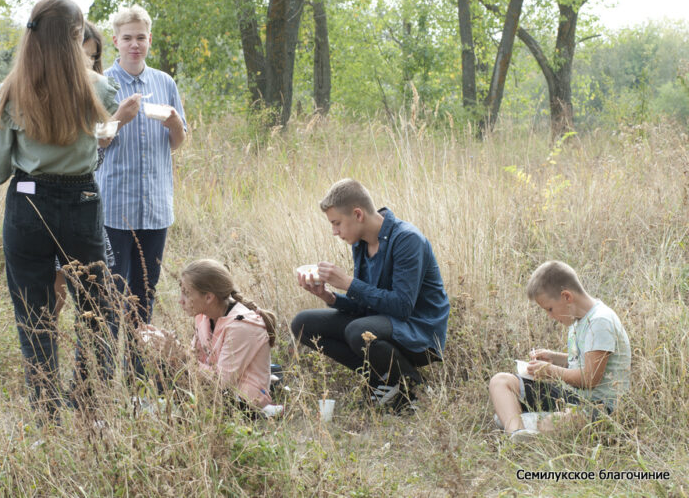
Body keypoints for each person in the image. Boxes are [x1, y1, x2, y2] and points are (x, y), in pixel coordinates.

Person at [0, 0, 120, 420]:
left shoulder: (11, 90)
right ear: (77, 37)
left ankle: (47, 414)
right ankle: (90, 403)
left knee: (34, 313)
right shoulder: (97, 87)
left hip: (27, 204)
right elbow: (107, 126)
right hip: (81, 202)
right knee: (97, 310)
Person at [291, 179, 450, 412]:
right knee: (303, 324)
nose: (334, 232)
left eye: (337, 223)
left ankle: (414, 387)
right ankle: (382, 380)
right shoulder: (361, 244)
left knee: (358, 331)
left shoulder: (407, 239)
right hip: (383, 322)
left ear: (357, 214)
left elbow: (402, 307)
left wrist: (348, 283)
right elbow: (366, 305)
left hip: (420, 331)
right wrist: (330, 297)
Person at [96, 4, 187, 328]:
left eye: (140, 38)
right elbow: (93, 144)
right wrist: (119, 119)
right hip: (115, 209)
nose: (135, 44)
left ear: (150, 40)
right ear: (116, 41)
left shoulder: (165, 83)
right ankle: (106, 371)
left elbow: (177, 142)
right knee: (111, 293)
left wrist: (175, 122)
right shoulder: (102, 84)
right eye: (127, 38)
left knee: (145, 293)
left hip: (156, 209)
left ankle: (136, 368)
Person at [488, 260, 631, 442]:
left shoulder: (600, 321)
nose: (550, 316)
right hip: (571, 396)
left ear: (566, 297)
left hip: (598, 406)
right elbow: (581, 360)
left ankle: (518, 423)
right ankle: (517, 434)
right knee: (500, 381)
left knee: (548, 424)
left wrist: (550, 371)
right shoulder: (577, 319)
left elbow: (590, 378)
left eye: (550, 309)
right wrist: (554, 358)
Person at [52, 21, 139, 320]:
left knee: (92, 295)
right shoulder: (57, 94)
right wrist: (120, 118)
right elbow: (94, 141)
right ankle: (45, 348)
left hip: (87, 201)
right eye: (82, 54)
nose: (87, 63)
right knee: (56, 286)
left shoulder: (98, 92)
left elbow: (98, 144)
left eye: (93, 56)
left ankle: (86, 359)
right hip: (54, 201)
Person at [179, 259, 279, 413]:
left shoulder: (241, 326)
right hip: (218, 391)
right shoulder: (203, 316)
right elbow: (196, 360)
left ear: (209, 297)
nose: (181, 301)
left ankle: (268, 410)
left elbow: (220, 382)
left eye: (186, 294)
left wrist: (181, 356)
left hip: (243, 401)